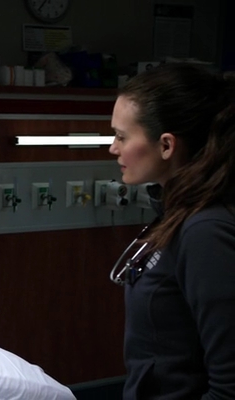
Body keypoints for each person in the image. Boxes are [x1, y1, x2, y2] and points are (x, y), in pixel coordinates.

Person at [109, 62, 235, 399]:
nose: (113, 148)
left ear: (166, 145)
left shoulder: (206, 232)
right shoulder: (176, 212)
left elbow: (229, 387)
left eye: (122, 136)